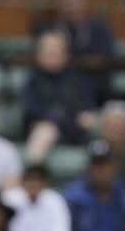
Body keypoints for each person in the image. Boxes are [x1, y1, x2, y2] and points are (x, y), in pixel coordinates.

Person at [22, 30, 97, 164]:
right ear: (38, 55)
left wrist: (61, 116)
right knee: (45, 130)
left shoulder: (78, 80)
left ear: (65, 55)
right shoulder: (32, 82)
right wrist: (70, 117)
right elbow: (33, 112)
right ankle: (33, 173)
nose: (52, 55)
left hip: (75, 133)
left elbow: (87, 116)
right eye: (47, 52)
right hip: (46, 132)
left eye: (56, 51)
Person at [40, 0, 116, 106]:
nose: (70, 2)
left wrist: (68, 60)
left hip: (96, 89)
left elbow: (107, 58)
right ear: (58, 2)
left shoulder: (99, 28)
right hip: (60, 91)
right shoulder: (49, 30)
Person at [2, 163, 73, 231]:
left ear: (45, 183)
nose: (34, 184)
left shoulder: (56, 201)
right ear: (23, 182)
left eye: (38, 180)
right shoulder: (11, 200)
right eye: (30, 179)